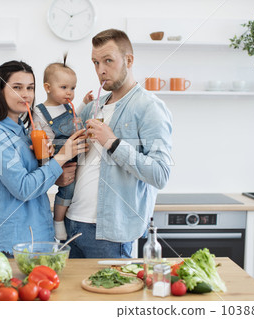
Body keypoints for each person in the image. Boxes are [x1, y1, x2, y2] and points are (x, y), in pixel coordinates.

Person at [65, 29, 173, 258]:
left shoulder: (149, 107)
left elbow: (160, 174)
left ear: (129, 60)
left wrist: (113, 143)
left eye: (108, 61)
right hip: (72, 224)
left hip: (110, 234)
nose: (100, 70)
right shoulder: (92, 107)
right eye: (95, 62)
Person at [0, 60, 88, 256]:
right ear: (0, 90)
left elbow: (33, 182)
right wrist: (62, 157)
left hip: (37, 241)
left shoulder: (24, 132)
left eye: (30, 88)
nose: (26, 95)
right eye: (17, 87)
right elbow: (24, 188)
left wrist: (53, 171)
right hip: (14, 246)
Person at [33, 55, 94, 240]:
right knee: (67, 188)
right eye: (64, 87)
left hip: (74, 153)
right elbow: (39, 135)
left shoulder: (68, 107)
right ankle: (58, 220)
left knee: (78, 186)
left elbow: (78, 114)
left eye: (73, 88)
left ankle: (67, 215)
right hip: (57, 156)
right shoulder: (39, 111)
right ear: (47, 88)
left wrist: (84, 102)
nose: (69, 93)